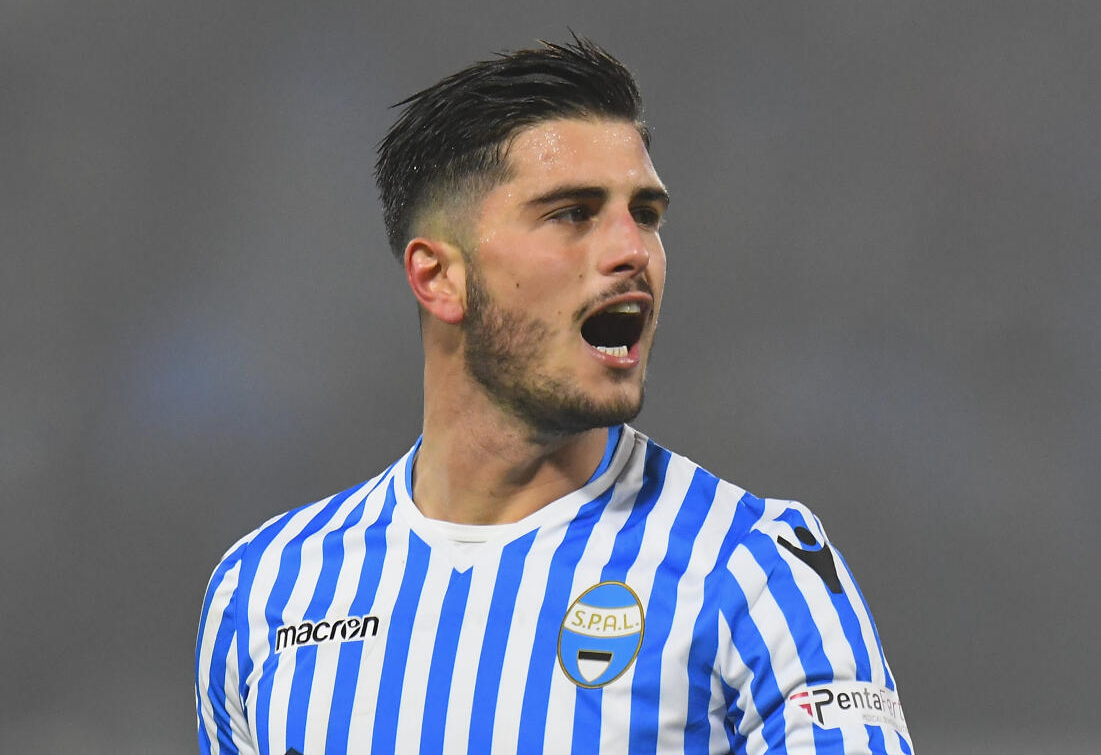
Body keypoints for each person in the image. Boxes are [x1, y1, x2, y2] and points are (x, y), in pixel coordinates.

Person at [195, 37, 912, 755]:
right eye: (573, 213)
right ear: (439, 277)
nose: (633, 251)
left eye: (646, 214)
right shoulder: (267, 590)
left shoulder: (754, 569)